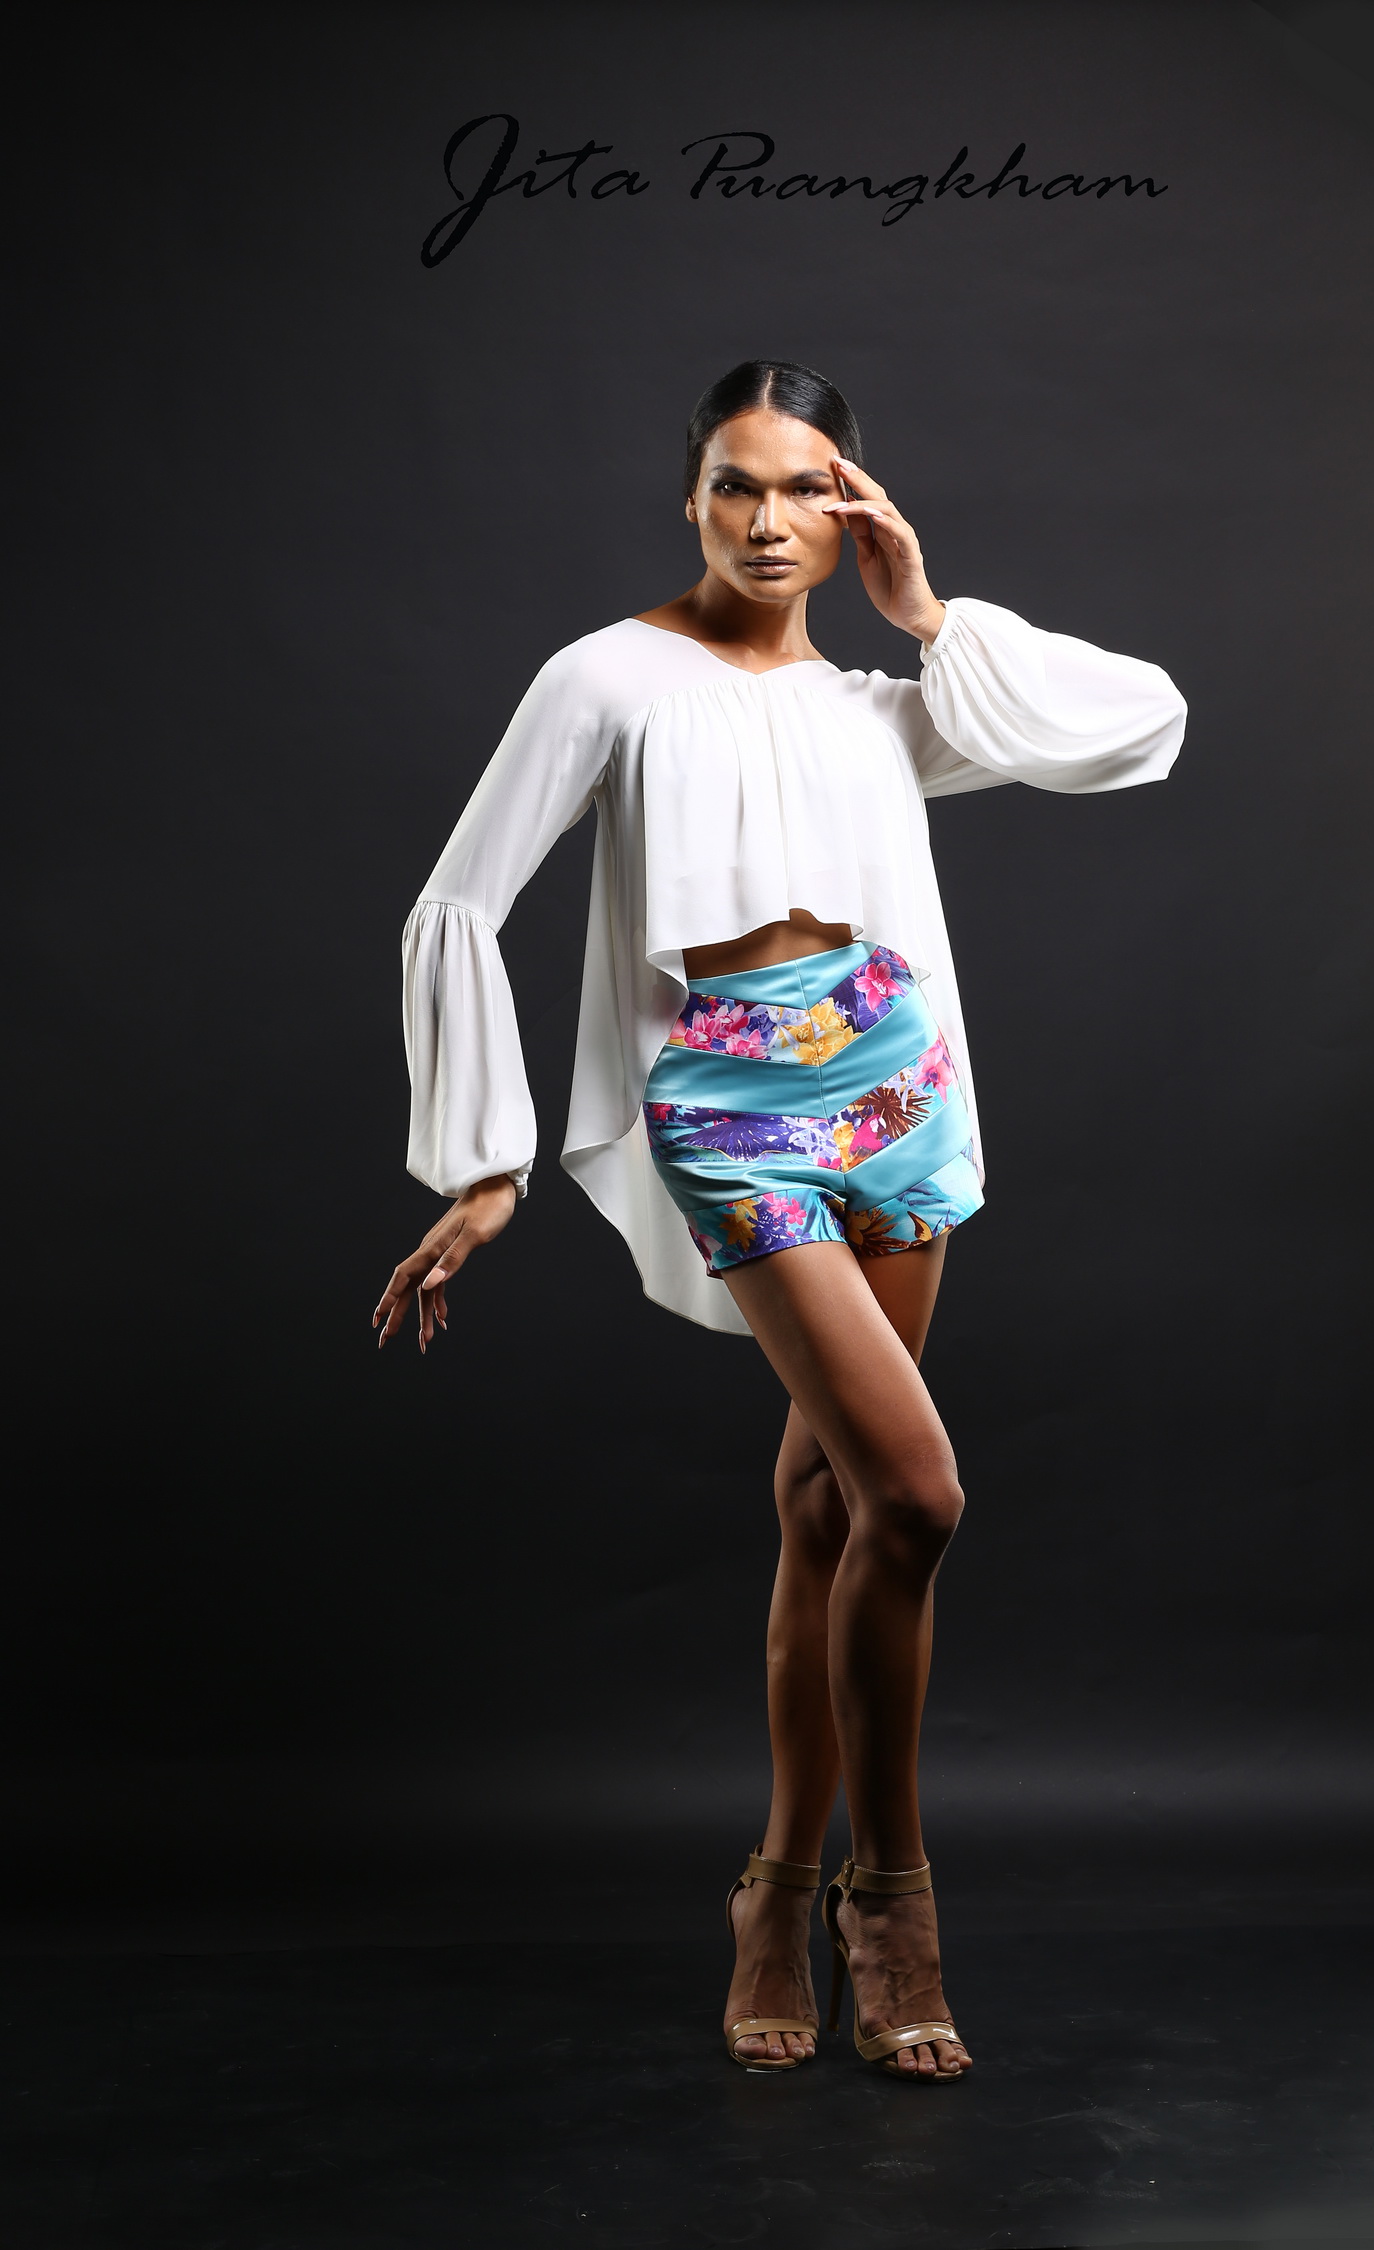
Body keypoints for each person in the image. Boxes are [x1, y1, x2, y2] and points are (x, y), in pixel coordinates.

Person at [373, 360, 1187, 2081]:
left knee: (833, 1504)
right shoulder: (606, 676)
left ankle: (777, 1890)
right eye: (736, 484)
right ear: (691, 495)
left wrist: (928, 611)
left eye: (806, 486)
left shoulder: (879, 706)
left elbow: (1137, 723)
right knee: (917, 1489)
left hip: (902, 1082)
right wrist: (485, 1160)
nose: (766, 520)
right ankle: (890, 1893)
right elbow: (460, 897)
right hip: (730, 1101)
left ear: (852, 504)